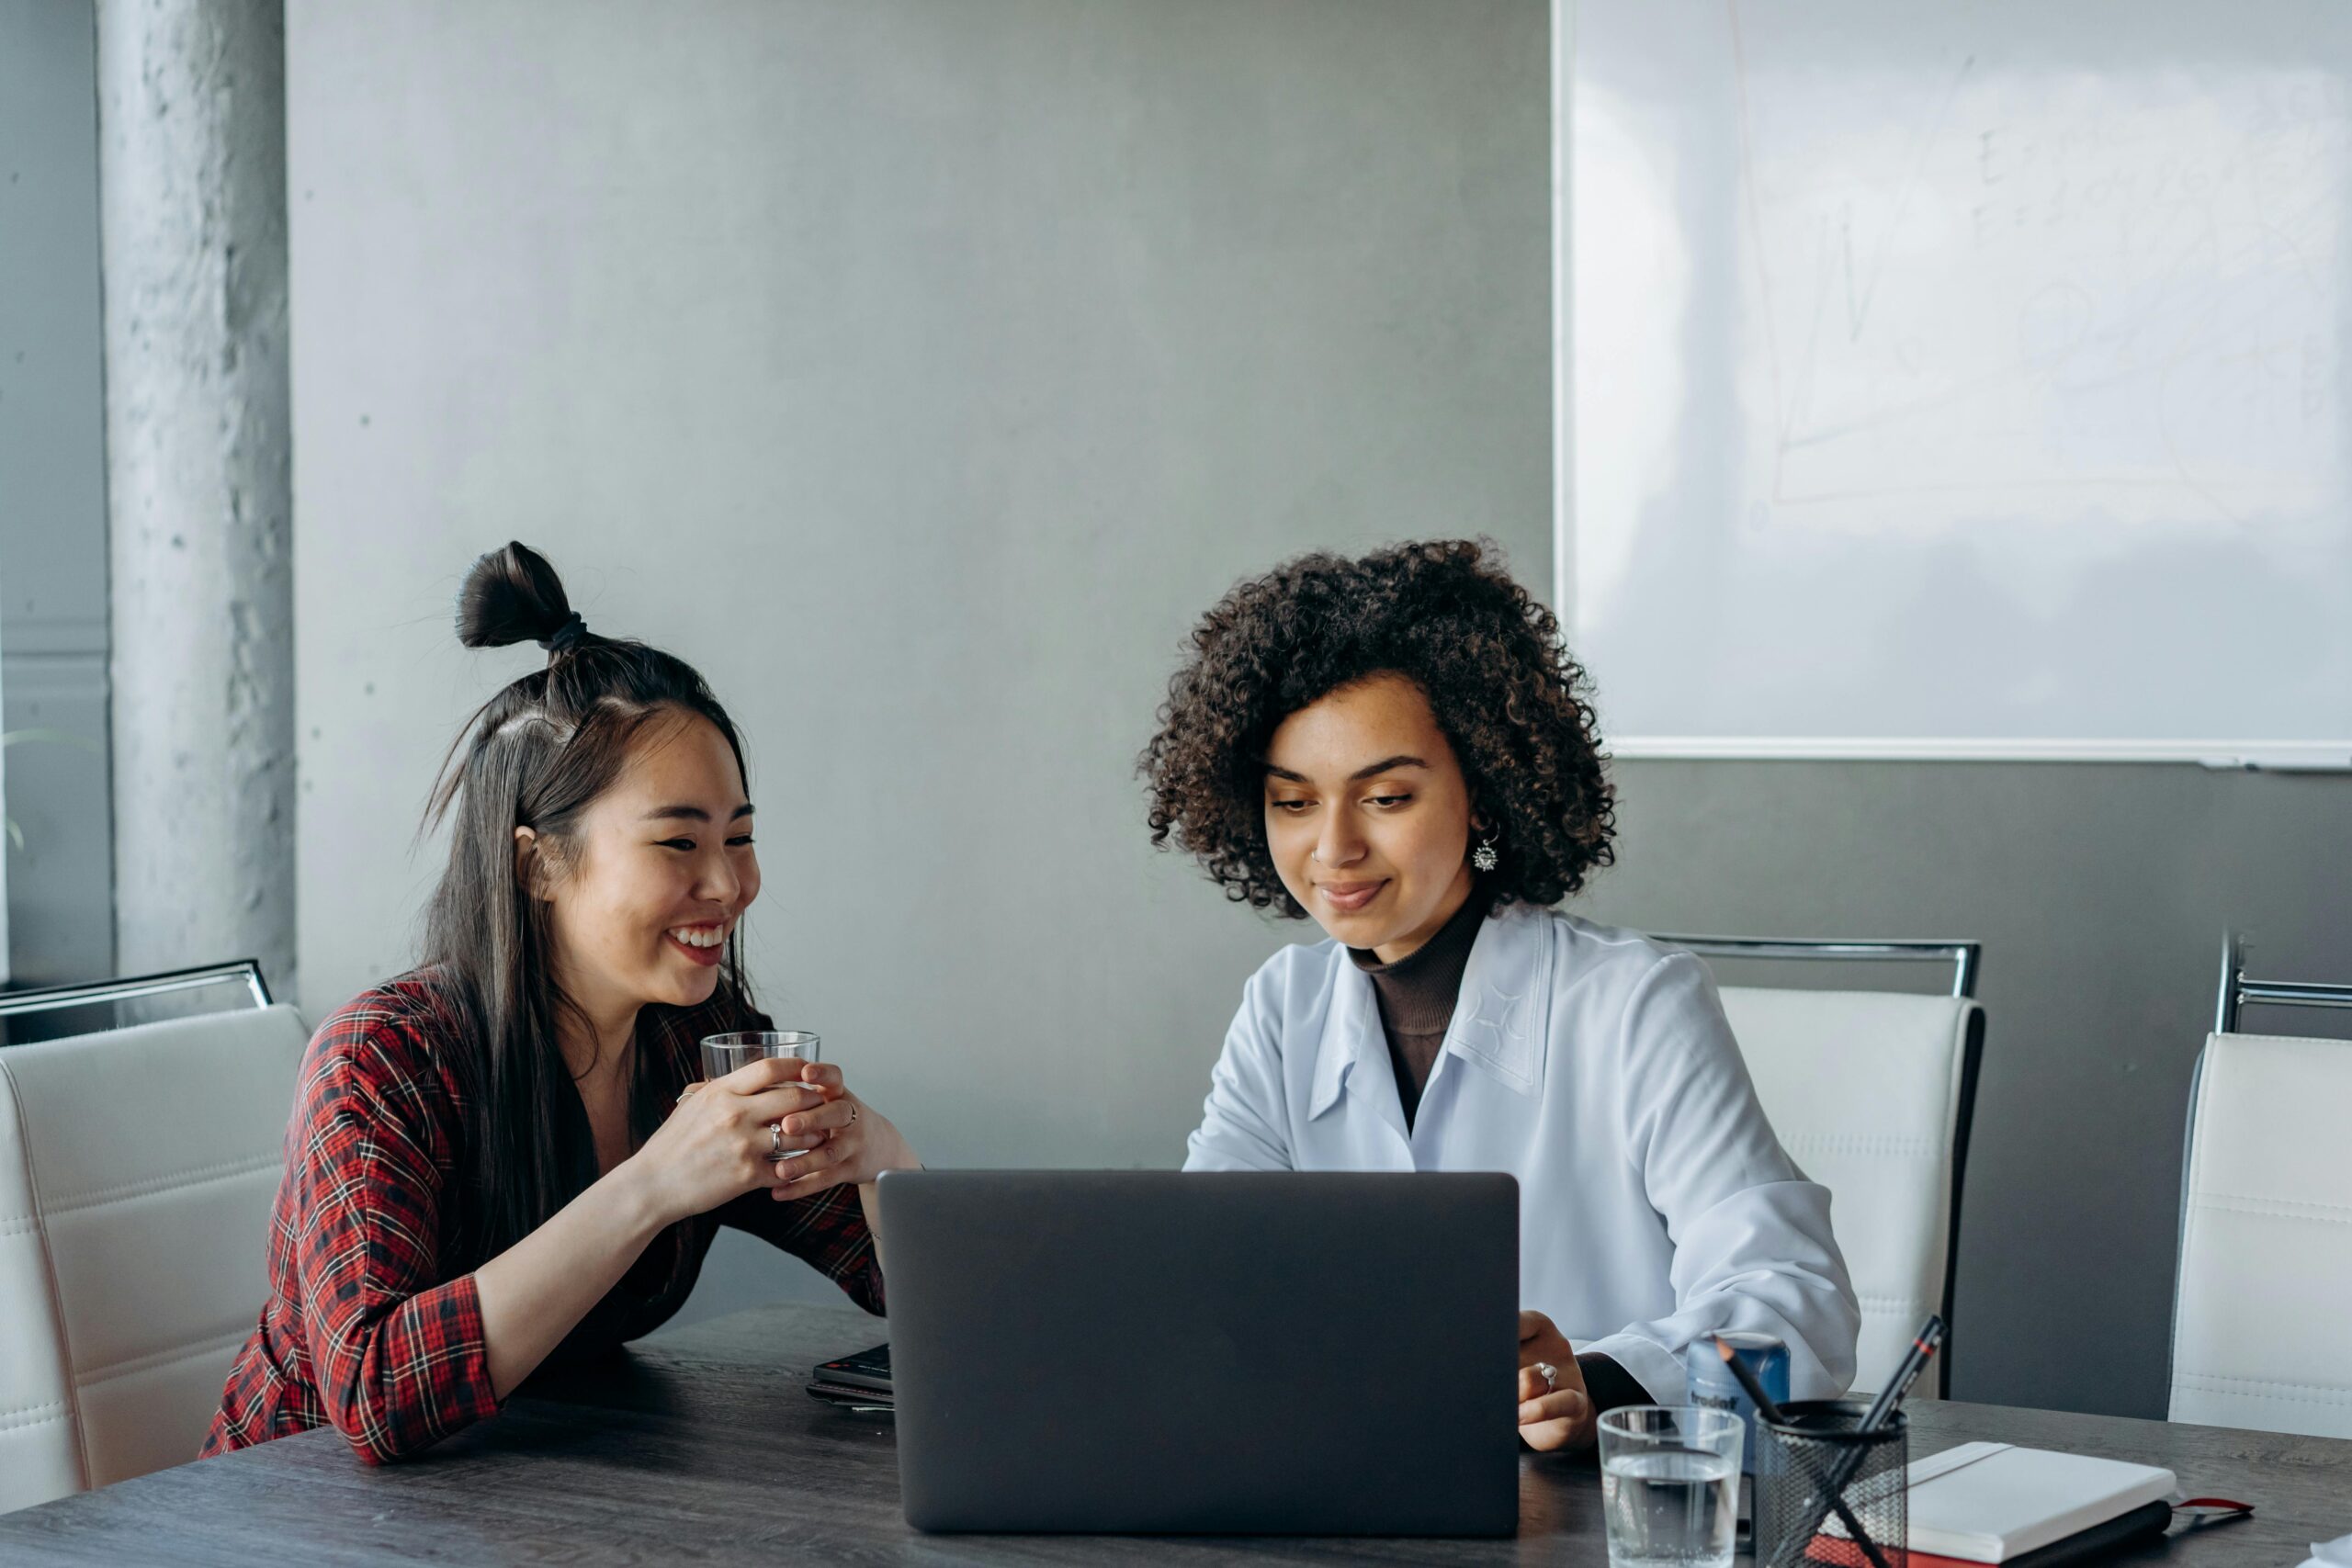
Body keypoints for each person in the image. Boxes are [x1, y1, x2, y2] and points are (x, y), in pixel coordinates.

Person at [205, 543, 920, 1463]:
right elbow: (374, 1391)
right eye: (677, 844)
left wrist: (882, 1166)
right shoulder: (383, 1059)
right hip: (281, 1512)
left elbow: (917, 1297)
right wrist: (655, 1184)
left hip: (522, 1499)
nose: (728, 883)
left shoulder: (690, 1043)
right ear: (538, 863)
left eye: (739, 837)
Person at [1141, 538, 1858, 1451]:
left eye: (1387, 797)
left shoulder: (1637, 1003)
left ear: (1483, 791)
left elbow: (1799, 1318)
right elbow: (1203, 1277)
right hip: (1353, 1492)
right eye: (1292, 802)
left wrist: (1595, 1382)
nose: (1332, 849)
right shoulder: (1284, 1006)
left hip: (1601, 1518)